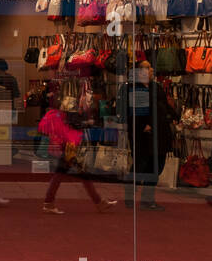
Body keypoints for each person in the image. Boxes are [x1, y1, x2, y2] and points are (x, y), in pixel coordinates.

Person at [39, 95, 116, 215]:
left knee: (71, 174)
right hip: (71, 148)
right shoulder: (71, 114)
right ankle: (49, 203)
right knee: (68, 174)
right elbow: (76, 124)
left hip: (70, 147)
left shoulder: (66, 114)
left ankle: (99, 202)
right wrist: (88, 122)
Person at [116, 60, 175, 210]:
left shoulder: (156, 87)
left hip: (160, 132)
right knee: (140, 166)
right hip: (143, 134)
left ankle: (148, 200)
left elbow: (164, 106)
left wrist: (174, 117)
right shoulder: (132, 88)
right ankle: (130, 196)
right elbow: (129, 111)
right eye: (148, 68)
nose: (152, 69)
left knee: (157, 167)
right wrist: (144, 126)